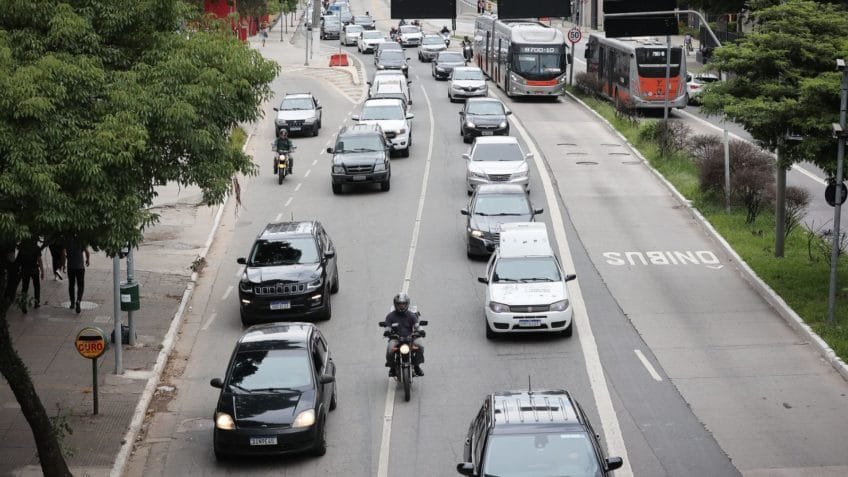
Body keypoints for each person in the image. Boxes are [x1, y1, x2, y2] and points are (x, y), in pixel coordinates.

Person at [383, 292, 425, 377]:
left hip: (410, 338)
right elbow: (387, 326)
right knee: (390, 349)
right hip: (396, 339)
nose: (401, 306)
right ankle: (392, 368)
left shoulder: (411, 315)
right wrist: (387, 331)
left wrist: (421, 331)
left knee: (420, 346)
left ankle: (417, 366)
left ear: (407, 304)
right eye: (399, 304)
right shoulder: (390, 316)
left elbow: (417, 325)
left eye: (403, 304)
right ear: (395, 304)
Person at [16, 239, 43, 313]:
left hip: (25, 270)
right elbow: (39, 260)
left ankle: (23, 305)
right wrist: (42, 271)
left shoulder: (23, 248)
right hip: (34, 269)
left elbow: (18, 260)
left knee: (25, 287)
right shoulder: (36, 247)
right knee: (36, 286)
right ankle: (36, 303)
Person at [65, 238, 90, 314]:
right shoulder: (81, 240)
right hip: (80, 267)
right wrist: (88, 260)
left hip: (71, 267)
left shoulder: (67, 241)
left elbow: (63, 253)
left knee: (71, 285)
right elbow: (87, 252)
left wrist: (63, 264)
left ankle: (72, 303)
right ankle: (78, 300)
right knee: (81, 285)